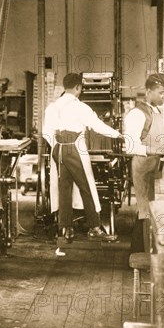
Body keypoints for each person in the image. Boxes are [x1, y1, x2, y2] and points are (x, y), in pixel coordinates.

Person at [43, 73, 123, 243]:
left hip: (58, 149)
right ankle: (94, 228)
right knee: (86, 187)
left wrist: (58, 145)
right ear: (78, 88)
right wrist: (117, 135)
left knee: (64, 188)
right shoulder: (80, 107)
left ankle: (65, 229)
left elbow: (46, 133)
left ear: (65, 87)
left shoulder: (52, 107)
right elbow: (98, 126)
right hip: (74, 149)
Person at [123, 73, 164, 252]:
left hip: (154, 165)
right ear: (148, 91)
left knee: (151, 209)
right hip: (142, 165)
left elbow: (157, 139)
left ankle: (144, 253)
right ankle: (138, 255)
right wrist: (158, 150)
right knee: (145, 210)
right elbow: (130, 146)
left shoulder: (156, 111)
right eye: (161, 93)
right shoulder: (137, 114)